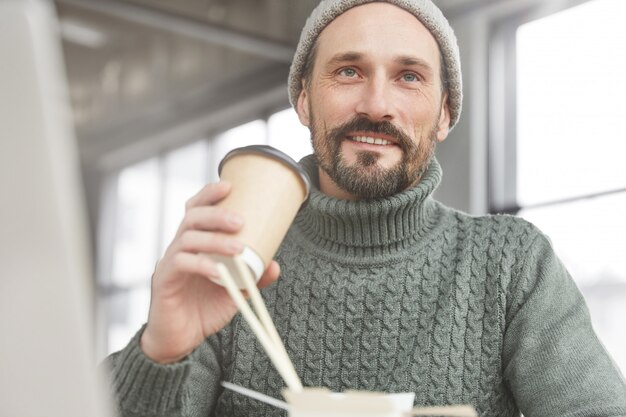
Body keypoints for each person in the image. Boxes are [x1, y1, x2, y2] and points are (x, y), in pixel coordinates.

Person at [104, 1, 626, 416]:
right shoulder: (231, 266)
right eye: (349, 71)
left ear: (445, 114)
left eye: (410, 76)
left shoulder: (513, 264)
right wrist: (160, 351)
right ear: (304, 98)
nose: (377, 104)